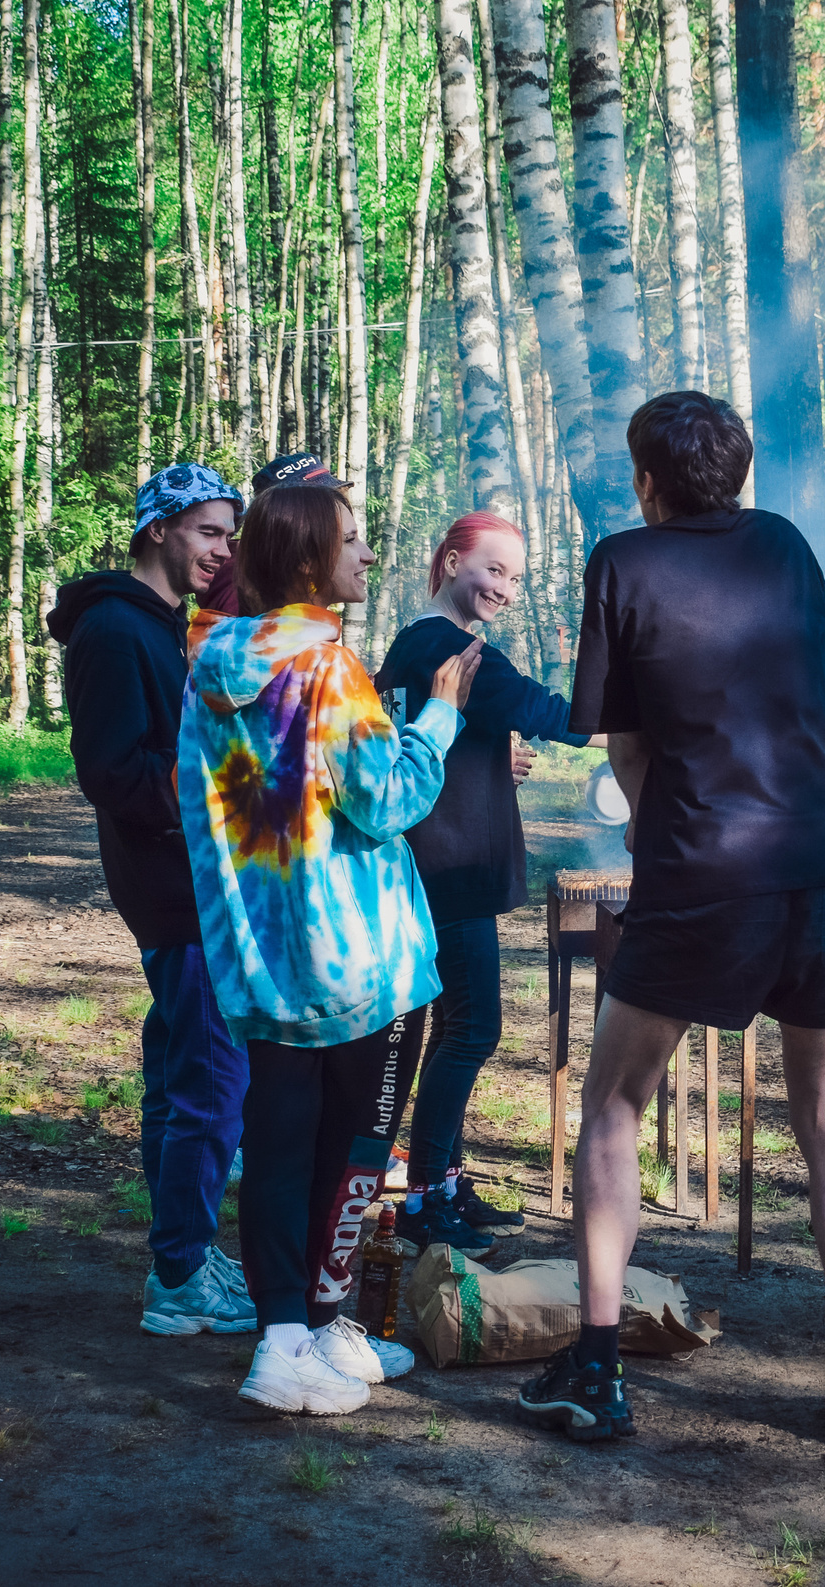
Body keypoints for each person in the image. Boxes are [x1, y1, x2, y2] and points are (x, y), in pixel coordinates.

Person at [535, 390, 825, 1447]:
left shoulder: (622, 562)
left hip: (701, 870)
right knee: (824, 1114)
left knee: (612, 1105)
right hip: (818, 862)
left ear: (647, 480)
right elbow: (813, 701)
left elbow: (627, 745)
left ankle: (596, 1371)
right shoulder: (784, 545)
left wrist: (656, 845)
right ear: (736, 476)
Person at [179, 480, 478, 1417]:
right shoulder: (329, 669)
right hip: (355, 960)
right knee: (351, 1148)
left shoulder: (209, 663)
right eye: (351, 540)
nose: (365, 555)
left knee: (275, 1142)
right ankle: (303, 1328)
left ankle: (295, 1332)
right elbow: (386, 800)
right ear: (309, 560)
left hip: (261, 954)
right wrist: (439, 718)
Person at [45, 463, 258, 1339]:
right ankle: (177, 1274)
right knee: (213, 1080)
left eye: (228, 534)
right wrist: (218, 796)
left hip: (183, 880)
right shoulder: (113, 630)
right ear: (158, 528)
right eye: (208, 531)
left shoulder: (162, 626)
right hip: (175, 885)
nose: (221, 550)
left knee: (181, 1078)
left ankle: (185, 1249)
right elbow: (109, 770)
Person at [375, 513, 597, 1255]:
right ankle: (426, 1196)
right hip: (451, 868)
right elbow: (546, 711)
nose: (504, 588)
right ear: (449, 560)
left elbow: (412, 739)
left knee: (452, 1028)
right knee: (472, 1027)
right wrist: (644, 729)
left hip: (434, 860)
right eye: (492, 570)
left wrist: (485, 759)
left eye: (515, 578)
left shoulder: (414, 644)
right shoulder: (454, 649)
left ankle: (442, 1179)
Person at [199, 452, 347, 616]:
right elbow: (246, 634)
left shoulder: (287, 563)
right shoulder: (239, 570)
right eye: (321, 504)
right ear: (280, 512)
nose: (337, 510)